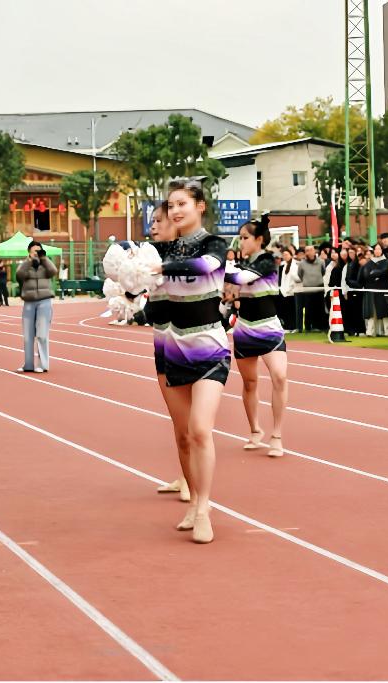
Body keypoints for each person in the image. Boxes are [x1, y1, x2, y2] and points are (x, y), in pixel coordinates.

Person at [155, 178, 231, 544]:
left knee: (201, 429)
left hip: (210, 347)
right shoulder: (162, 250)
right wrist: (132, 286)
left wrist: (160, 269)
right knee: (184, 436)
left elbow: (204, 267)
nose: (175, 211)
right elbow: (154, 302)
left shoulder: (215, 244)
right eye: (171, 205)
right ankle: (194, 500)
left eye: (182, 203)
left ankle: (203, 508)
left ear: (200, 206)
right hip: (174, 349)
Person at [228, 219, 289, 458]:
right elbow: (231, 288)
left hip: (269, 329)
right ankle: (255, 429)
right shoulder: (240, 263)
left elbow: (241, 279)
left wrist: (214, 268)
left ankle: (277, 435)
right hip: (244, 330)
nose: (241, 242)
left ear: (259, 240)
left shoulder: (267, 261)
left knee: (280, 376)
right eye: (240, 238)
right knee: (249, 383)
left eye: (245, 238)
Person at [147, 200, 191, 503]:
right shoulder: (149, 257)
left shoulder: (189, 258)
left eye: (158, 221)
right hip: (162, 341)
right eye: (152, 221)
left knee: (191, 424)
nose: (153, 226)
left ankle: (192, 481)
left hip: (189, 344)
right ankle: (184, 475)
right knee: (178, 421)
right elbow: (150, 309)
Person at [15, 241, 58, 373]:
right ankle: (28, 365)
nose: (36, 253)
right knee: (28, 336)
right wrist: (29, 261)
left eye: (38, 251)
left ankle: (43, 365)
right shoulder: (25, 264)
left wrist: (44, 258)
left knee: (42, 335)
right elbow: (19, 275)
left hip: (44, 301)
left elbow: (53, 271)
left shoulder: (46, 264)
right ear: (29, 252)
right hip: (29, 302)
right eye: (34, 251)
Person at [359, 244, 388, 337]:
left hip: (384, 289)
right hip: (372, 289)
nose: (378, 251)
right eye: (376, 249)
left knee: (386, 311)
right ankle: (370, 331)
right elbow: (366, 275)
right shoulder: (369, 263)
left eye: (379, 249)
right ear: (373, 251)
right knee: (372, 311)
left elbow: (386, 274)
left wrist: (375, 274)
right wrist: (377, 274)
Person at [295, 245, 326, 332]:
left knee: (319, 308)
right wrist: (307, 281)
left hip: (319, 288)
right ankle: (308, 327)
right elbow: (300, 274)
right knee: (308, 308)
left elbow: (323, 272)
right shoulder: (302, 263)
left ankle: (319, 326)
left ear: (314, 251)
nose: (309, 252)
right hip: (307, 289)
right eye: (307, 250)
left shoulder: (321, 261)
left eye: (311, 250)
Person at [278, 246, 300, 333]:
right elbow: (283, 279)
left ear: (291, 255)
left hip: (291, 292)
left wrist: (290, 289)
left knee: (291, 311)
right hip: (284, 291)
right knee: (286, 311)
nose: (285, 256)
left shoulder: (294, 265)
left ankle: (293, 327)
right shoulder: (284, 265)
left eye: (287, 254)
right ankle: (287, 327)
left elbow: (295, 279)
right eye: (284, 255)